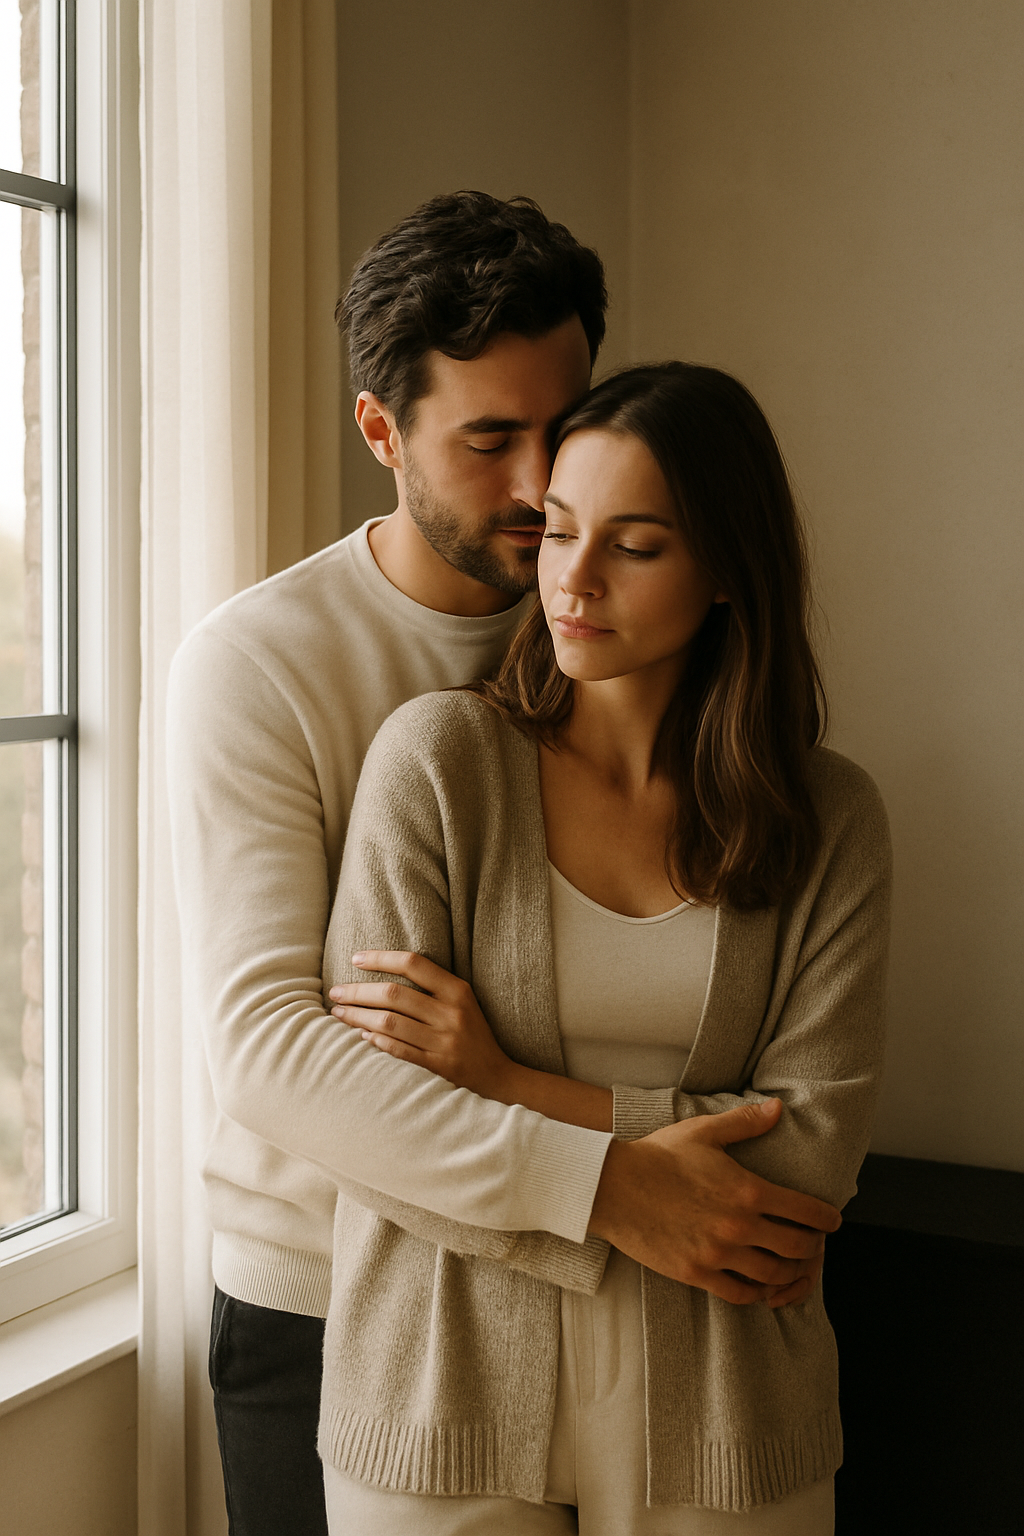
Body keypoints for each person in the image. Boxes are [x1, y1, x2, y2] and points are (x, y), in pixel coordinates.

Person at [315, 363, 892, 1533]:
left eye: (632, 547)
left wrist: (505, 1084)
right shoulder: (438, 766)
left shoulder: (827, 818)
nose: (569, 581)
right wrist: (635, 1178)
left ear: (727, 571)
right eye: (559, 530)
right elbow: (376, 1122)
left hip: (730, 1400)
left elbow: (809, 1157)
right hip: (446, 1386)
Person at [167, 189, 604, 1535]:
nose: (541, 485)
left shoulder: (632, 628)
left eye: (565, 425)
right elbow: (267, 1050)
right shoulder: (258, 663)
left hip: (581, 1289)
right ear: (379, 429)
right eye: (488, 440)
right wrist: (611, 1183)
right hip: (323, 1302)